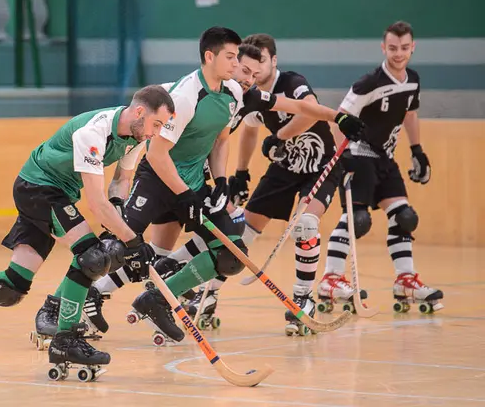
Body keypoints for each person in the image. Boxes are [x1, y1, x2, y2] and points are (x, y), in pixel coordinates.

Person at [83, 28, 366, 342]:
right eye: (238, 66)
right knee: (121, 246)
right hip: (160, 177)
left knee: (225, 252)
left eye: (251, 73)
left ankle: (161, 297)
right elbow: (156, 144)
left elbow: (292, 109)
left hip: (192, 181)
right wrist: (189, 190)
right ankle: (75, 301)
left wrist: (337, 117)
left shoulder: (237, 94)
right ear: (216, 60)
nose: (245, 76)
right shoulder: (191, 94)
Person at [0, 86, 174, 379]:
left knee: (11, 287)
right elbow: (95, 203)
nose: (155, 133)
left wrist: (120, 217)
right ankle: (66, 340)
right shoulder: (93, 132)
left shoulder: (136, 136)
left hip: (57, 193)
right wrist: (132, 240)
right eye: (156, 124)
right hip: (38, 188)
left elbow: (121, 181)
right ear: (140, 112)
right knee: (92, 257)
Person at [320, 20, 442, 314]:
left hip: (386, 158)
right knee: (357, 220)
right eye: (392, 48)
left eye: (403, 48)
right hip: (359, 155)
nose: (398, 54)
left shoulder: (412, 79)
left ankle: (405, 281)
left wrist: (417, 151)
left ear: (413, 48)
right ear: (383, 47)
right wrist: (338, 158)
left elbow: (410, 114)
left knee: (405, 218)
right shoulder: (369, 83)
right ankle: (330, 280)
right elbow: (340, 118)